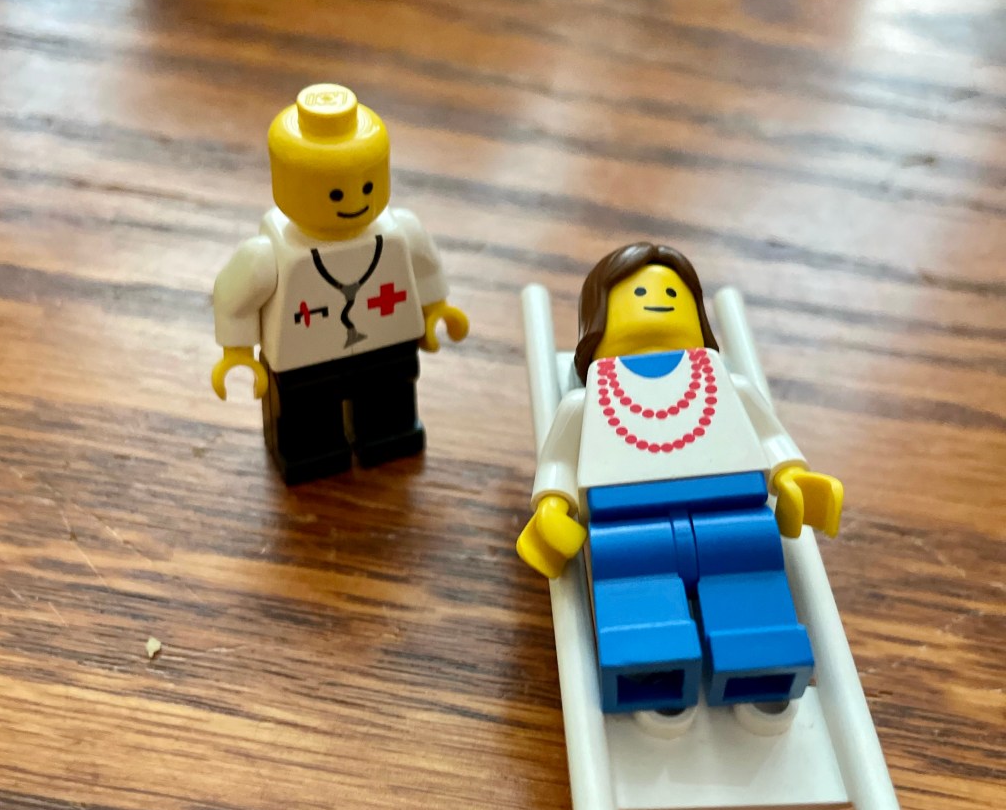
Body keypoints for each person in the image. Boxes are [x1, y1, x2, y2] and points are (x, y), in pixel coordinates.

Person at [517, 243, 842, 713]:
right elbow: (559, 464)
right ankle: (650, 664)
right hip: (627, 529)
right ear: (598, 321)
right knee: (637, 602)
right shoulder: (585, 403)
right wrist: (552, 504)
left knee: (750, 585)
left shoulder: (726, 384)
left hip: (735, 518)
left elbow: (770, 437)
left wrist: (791, 476)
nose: (657, 300)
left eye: (672, 292)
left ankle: (759, 659)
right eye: (640, 292)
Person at [211, 83, 468, 484]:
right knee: (308, 424)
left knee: (389, 407)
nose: (354, 201)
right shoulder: (269, 254)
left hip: (388, 347)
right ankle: (312, 454)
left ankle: (387, 437)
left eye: (367, 187)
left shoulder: (400, 231)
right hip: (303, 362)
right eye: (335, 193)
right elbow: (234, 295)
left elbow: (425, 266)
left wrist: (435, 308)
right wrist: (237, 351)